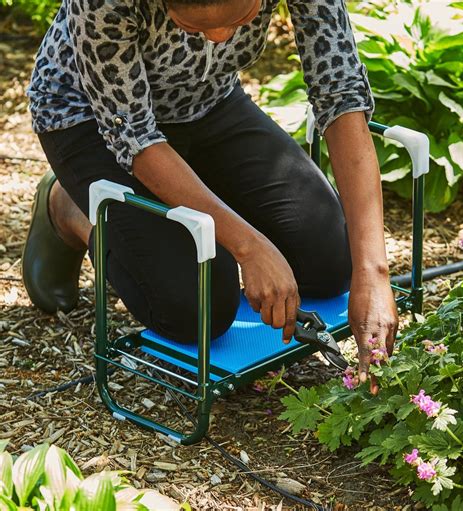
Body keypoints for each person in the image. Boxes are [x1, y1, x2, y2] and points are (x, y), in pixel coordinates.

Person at [24, 0, 398, 391]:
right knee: (200, 308)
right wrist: (250, 248)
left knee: (335, 259)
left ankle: (192, 193)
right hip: (93, 120)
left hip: (208, 100)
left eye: (240, 18)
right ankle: (70, 207)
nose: (220, 39)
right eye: (191, 26)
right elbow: (134, 137)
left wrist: (373, 272)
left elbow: (339, 94)